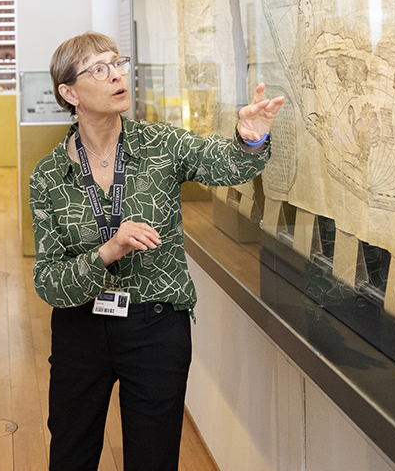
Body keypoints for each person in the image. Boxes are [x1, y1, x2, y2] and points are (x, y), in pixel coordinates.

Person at [29, 32, 284, 470]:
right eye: (99, 69)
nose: (116, 75)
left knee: (154, 457)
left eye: (118, 63)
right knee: (71, 453)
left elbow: (224, 162)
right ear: (69, 93)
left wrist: (250, 139)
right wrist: (108, 250)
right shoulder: (49, 175)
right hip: (80, 328)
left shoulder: (160, 145)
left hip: (155, 326)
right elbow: (49, 282)